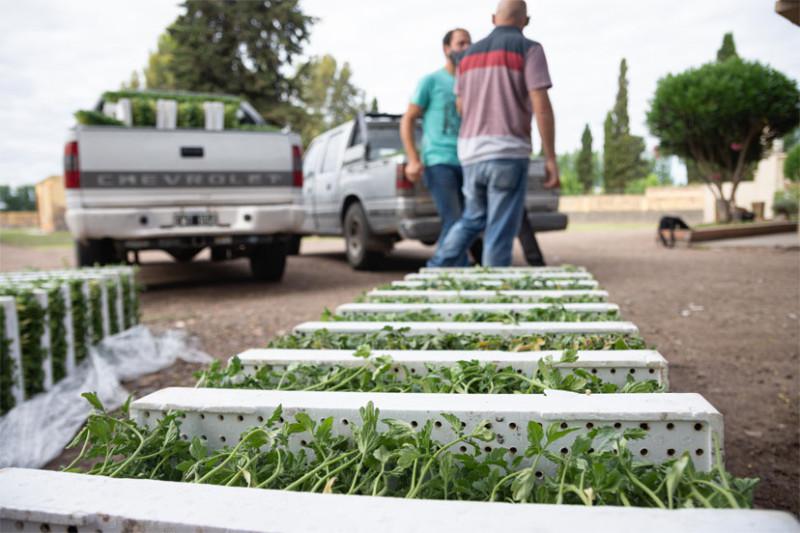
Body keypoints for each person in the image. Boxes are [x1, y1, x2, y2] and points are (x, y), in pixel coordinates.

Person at [428, 0, 560, 267]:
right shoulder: (529, 49)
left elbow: (460, 105)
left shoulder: (467, 57)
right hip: (507, 151)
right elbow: (541, 105)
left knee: (472, 218)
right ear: (526, 21)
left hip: (470, 153)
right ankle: (493, 290)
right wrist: (550, 158)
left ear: (492, 19)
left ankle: (437, 267)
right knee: (500, 227)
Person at [400, 28, 473, 267]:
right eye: (460, 43)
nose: (466, 48)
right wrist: (413, 159)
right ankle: (440, 270)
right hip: (438, 160)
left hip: (468, 161)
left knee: (467, 222)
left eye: (468, 43)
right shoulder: (431, 81)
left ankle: (450, 273)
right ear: (446, 49)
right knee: (454, 219)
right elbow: (408, 119)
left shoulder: (471, 83)